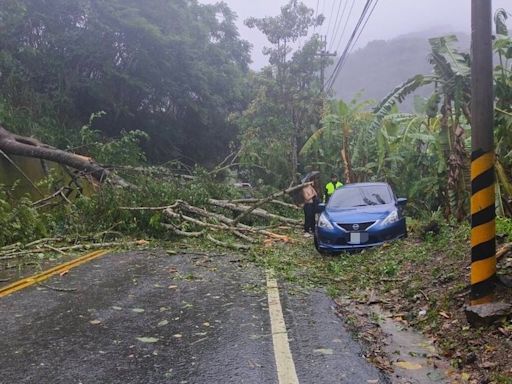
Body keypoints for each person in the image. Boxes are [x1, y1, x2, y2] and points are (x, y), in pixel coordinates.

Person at [301, 172, 321, 237]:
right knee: (308, 217)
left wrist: (312, 189)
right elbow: (307, 198)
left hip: (312, 204)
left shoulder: (310, 187)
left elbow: (315, 194)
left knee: (312, 217)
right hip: (307, 205)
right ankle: (306, 230)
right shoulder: (303, 189)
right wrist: (312, 195)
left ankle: (313, 230)